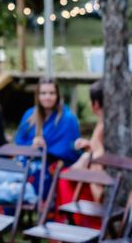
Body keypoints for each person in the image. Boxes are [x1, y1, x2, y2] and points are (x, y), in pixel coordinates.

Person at [14, 78, 81, 198]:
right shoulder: (29, 115)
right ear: (38, 96)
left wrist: (46, 150)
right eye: (43, 93)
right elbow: (19, 143)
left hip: (52, 168)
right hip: (27, 163)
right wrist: (32, 147)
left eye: (51, 93)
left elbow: (71, 151)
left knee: (35, 177)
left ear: (57, 95)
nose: (47, 97)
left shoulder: (68, 119)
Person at [56, 80, 105, 228]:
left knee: (64, 177)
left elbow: (102, 154)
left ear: (95, 105)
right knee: (66, 174)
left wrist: (87, 156)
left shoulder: (104, 125)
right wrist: (89, 145)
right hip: (98, 176)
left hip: (101, 182)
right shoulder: (104, 123)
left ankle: (79, 223)